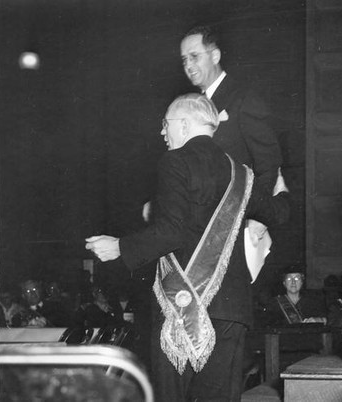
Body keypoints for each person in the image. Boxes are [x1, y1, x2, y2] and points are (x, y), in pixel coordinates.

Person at [85, 94, 289, 402]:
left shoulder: (174, 161)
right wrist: (284, 191)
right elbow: (278, 214)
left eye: (165, 124)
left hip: (179, 309)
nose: (162, 132)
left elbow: (171, 232)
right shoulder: (242, 174)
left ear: (183, 124)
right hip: (231, 311)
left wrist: (119, 247)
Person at [179, 24, 284, 269]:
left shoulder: (244, 98)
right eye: (184, 59)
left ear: (215, 55)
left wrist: (258, 215)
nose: (188, 65)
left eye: (195, 56)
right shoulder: (193, 105)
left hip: (233, 225)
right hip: (197, 226)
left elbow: (269, 164)